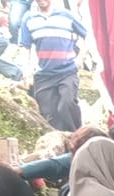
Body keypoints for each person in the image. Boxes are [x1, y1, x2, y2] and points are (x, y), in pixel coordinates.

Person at [18, 0, 86, 131]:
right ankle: (60, 145)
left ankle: (77, 138)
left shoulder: (66, 15)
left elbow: (87, 36)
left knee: (67, 104)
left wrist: (80, 58)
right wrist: (26, 71)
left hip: (67, 71)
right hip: (44, 75)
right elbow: (24, 46)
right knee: (50, 115)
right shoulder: (29, 18)